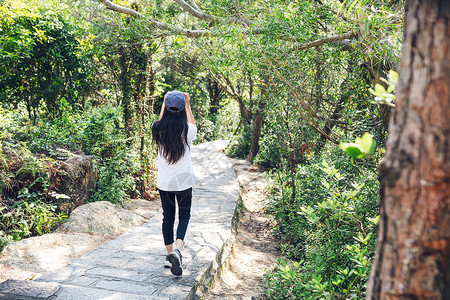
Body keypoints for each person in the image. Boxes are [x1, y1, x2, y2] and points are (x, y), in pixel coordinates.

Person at [151, 90, 197, 276]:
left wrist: (164, 102)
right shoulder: (188, 130)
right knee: (184, 215)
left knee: (167, 217)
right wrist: (187, 104)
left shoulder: (157, 129)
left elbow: (161, 120)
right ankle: (178, 251)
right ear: (181, 109)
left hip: (165, 183)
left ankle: (170, 255)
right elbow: (192, 123)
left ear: (166, 108)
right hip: (184, 181)